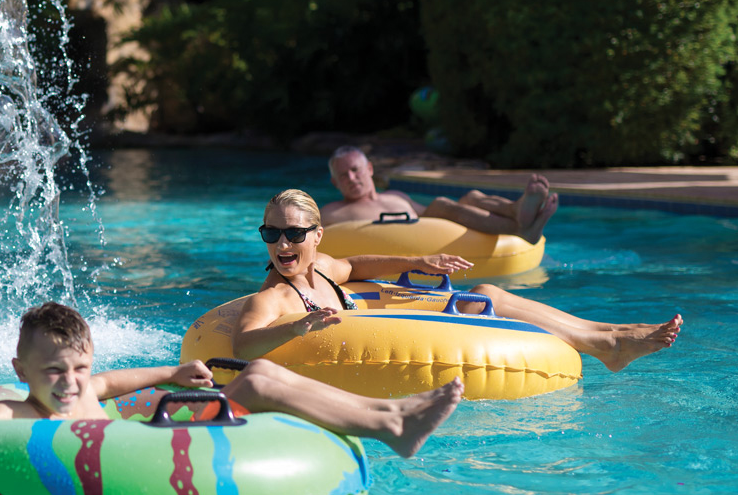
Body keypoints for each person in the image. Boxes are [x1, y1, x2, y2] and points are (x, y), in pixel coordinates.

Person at [0, 302, 465, 495]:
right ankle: (391, 425)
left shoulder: (89, 387)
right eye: (53, 372)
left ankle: (389, 413)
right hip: (150, 460)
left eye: (79, 369)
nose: (69, 384)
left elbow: (119, 381)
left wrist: (173, 373)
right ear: (22, 370)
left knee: (262, 375)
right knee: (256, 382)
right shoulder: (22, 408)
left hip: (151, 441)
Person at [214, 189, 681, 372]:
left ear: (316, 236)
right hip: (357, 359)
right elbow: (244, 345)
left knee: (488, 291)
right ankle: (608, 347)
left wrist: (421, 259)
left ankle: (608, 332)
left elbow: (354, 266)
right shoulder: (275, 295)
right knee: (481, 303)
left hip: (376, 319)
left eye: (293, 233)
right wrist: (295, 327)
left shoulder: (323, 268)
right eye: (271, 233)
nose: (281, 244)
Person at [322, 145, 558, 243]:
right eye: (343, 176)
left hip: (429, 230)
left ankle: (516, 211)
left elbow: (428, 214)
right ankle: (520, 229)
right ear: (334, 182)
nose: (352, 179)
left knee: (472, 196)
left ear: (370, 169)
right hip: (416, 240)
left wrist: (460, 207)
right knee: (443, 204)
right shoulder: (332, 212)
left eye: (355, 170)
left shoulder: (396, 195)